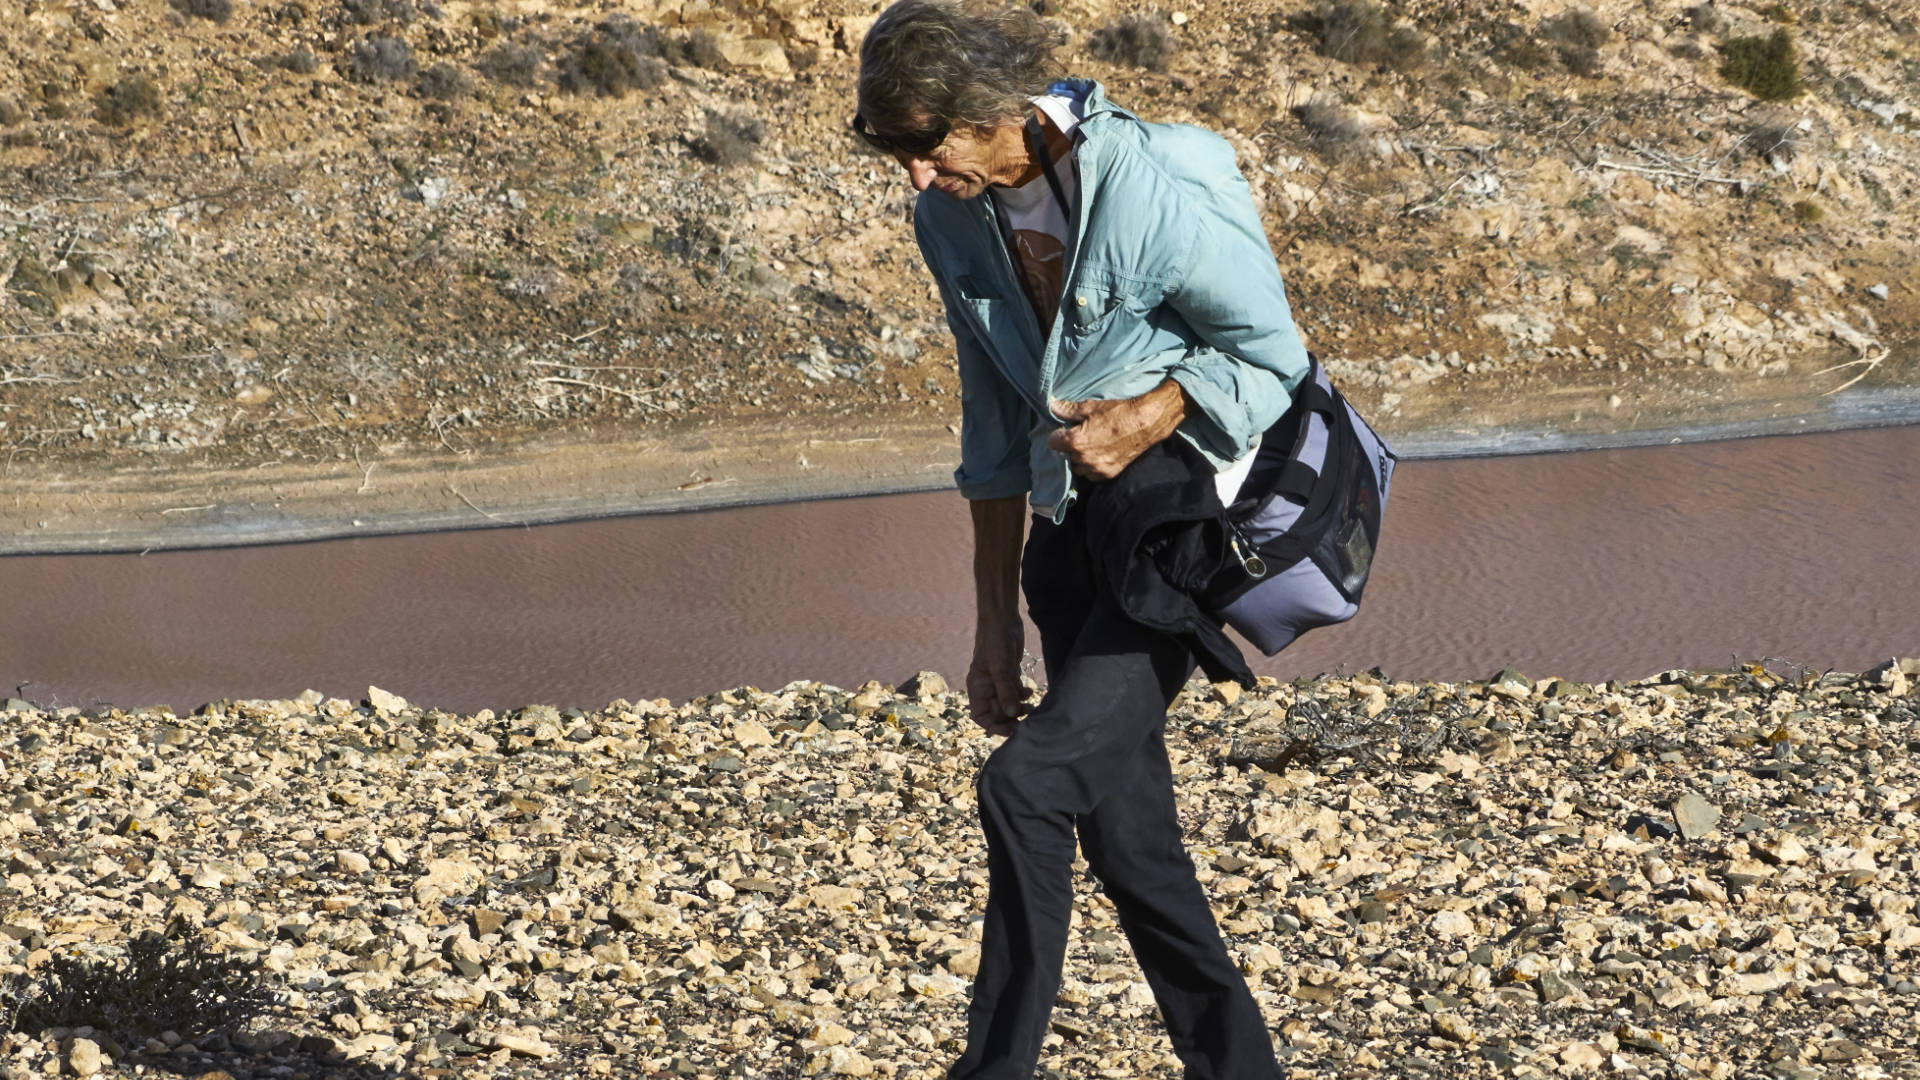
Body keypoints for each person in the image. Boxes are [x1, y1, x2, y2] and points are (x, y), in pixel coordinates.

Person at [856, 2, 1314, 1076]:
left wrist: (1150, 413)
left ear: (989, 112)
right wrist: (992, 629)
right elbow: (989, 424)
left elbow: (1272, 356)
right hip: (1071, 545)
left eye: (930, 146)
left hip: (1176, 541)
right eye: (898, 154)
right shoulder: (948, 221)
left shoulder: (1146, 186)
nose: (917, 178)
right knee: (1131, 846)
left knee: (1024, 788)